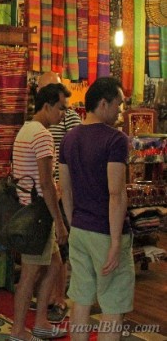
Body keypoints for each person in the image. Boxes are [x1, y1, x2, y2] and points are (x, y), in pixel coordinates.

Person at [59, 77, 133, 341]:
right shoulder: (115, 140)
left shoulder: (69, 139)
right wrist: (115, 242)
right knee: (113, 305)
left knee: (81, 300)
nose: (121, 110)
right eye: (119, 104)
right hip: (106, 231)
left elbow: (65, 190)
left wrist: (73, 222)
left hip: (80, 228)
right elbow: (116, 193)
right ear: (103, 104)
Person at [10, 83, 69, 341]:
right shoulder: (43, 135)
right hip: (39, 214)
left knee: (54, 265)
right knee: (30, 274)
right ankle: (18, 331)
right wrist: (59, 220)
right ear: (47, 106)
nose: (63, 114)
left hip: (28, 209)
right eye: (60, 108)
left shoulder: (25, 129)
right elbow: (46, 183)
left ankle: (41, 322)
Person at [33, 72, 82, 323]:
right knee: (48, 246)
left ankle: (59, 298)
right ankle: (48, 294)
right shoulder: (41, 120)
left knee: (59, 247)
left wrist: (65, 184)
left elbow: (76, 152)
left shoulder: (68, 117)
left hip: (60, 189)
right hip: (47, 189)